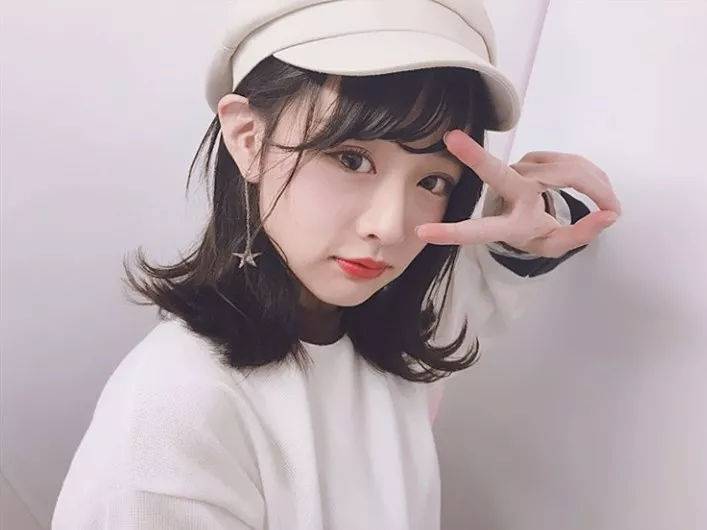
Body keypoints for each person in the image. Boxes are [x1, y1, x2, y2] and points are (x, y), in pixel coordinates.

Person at [51, 1, 621, 529]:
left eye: (432, 181)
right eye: (351, 159)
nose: (390, 227)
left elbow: (524, 250)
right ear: (248, 138)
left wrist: (542, 209)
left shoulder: (391, 323)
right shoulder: (174, 415)